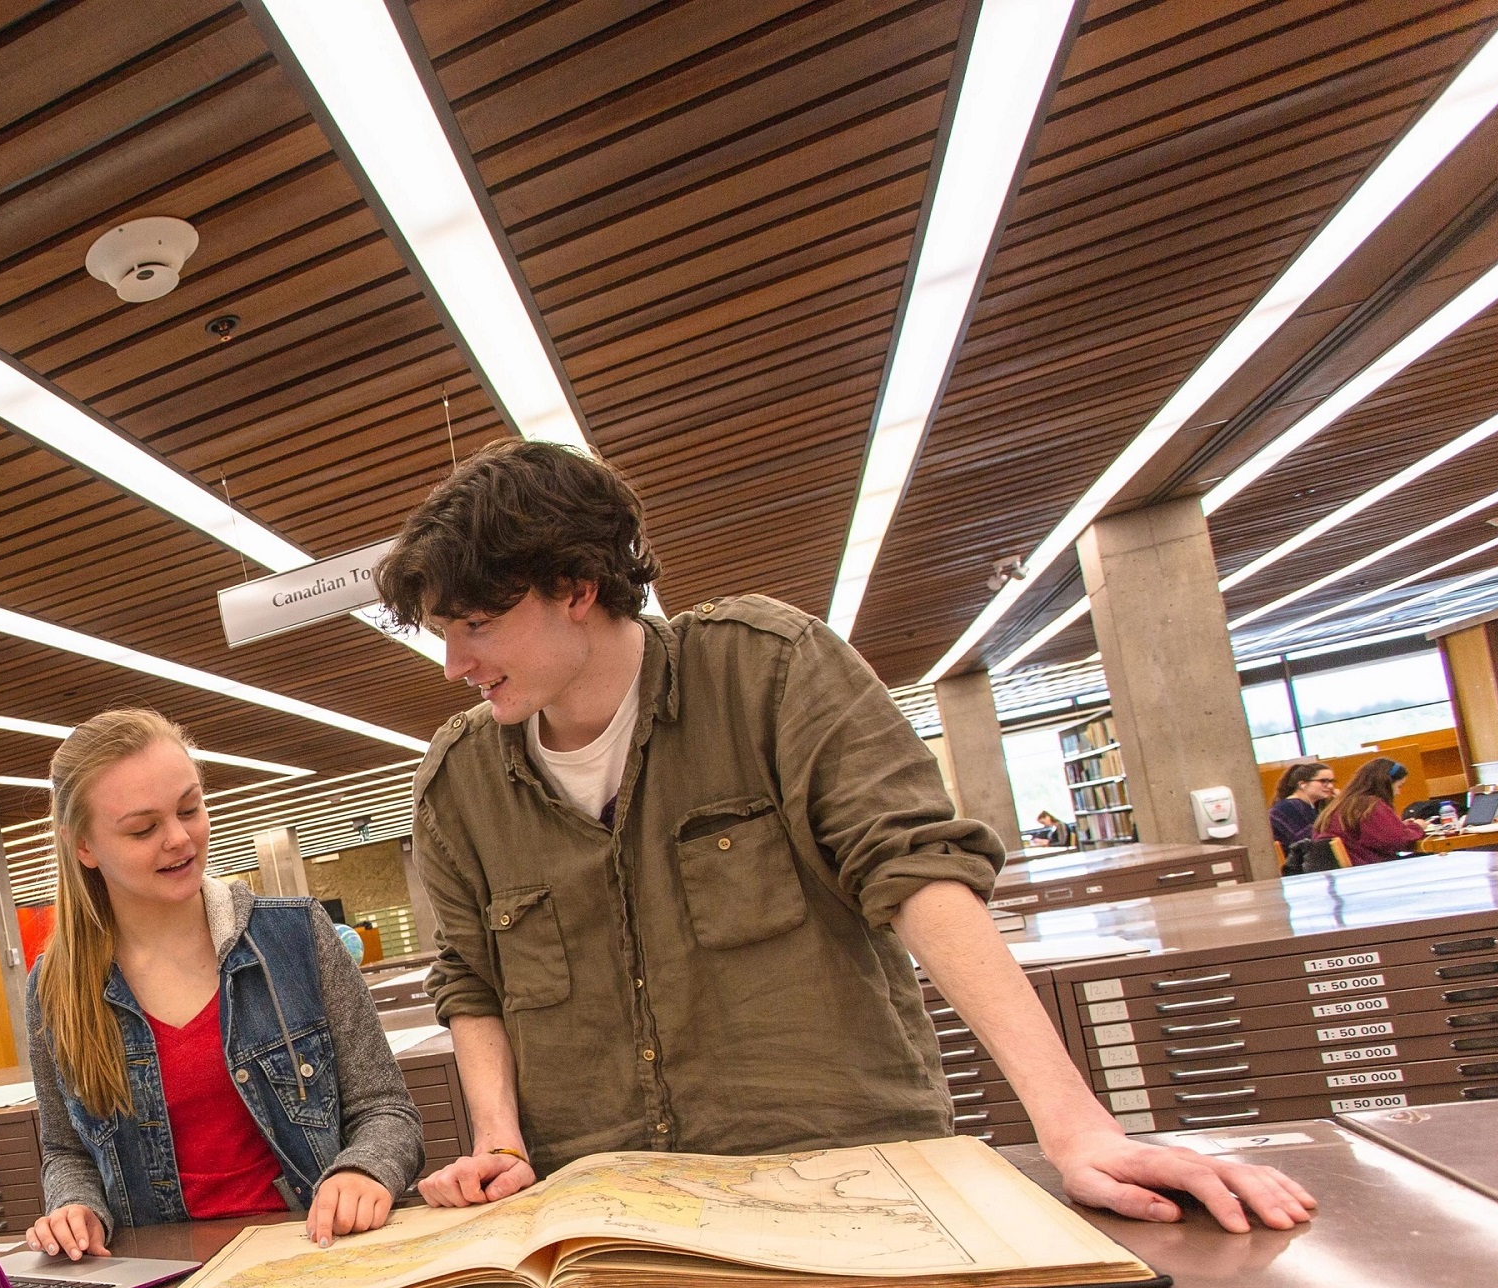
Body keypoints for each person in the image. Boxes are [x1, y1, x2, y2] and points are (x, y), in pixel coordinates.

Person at [380, 439, 1313, 1233]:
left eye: (476, 625)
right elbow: (473, 979)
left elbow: (915, 874)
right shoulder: (460, 781)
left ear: (576, 587)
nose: (457, 664)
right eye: (442, 633)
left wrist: (1076, 1129)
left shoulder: (769, 673)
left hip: (847, 1179)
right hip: (612, 1213)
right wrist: (498, 1140)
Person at [24, 709, 423, 1258]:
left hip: (316, 1252)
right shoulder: (56, 988)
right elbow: (65, 1152)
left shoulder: (295, 936)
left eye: (190, 808)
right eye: (143, 829)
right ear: (84, 847)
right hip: (158, 1277)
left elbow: (386, 1110)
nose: (179, 838)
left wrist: (363, 1171)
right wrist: (74, 1208)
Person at [1315, 759, 1425, 864]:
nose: (1398, 792)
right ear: (1386, 783)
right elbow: (1395, 841)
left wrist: (1399, 827)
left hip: (1353, 867)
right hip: (1370, 867)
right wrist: (1417, 827)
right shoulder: (1369, 805)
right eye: (1398, 786)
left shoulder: (1338, 804)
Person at [1270, 762, 1335, 853]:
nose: (1330, 786)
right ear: (1302, 784)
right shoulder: (1287, 808)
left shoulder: (1312, 806)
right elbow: (1303, 843)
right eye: (1323, 781)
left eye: (1332, 781)